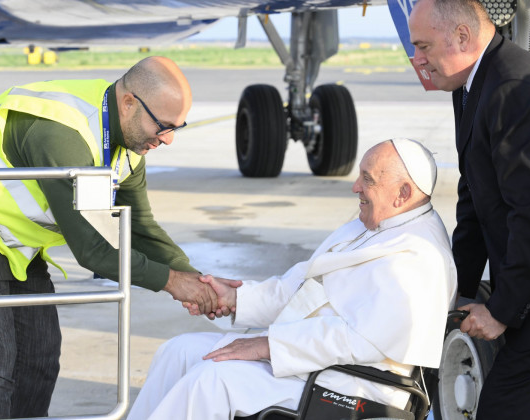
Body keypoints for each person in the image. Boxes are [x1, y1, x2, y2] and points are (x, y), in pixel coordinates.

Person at [0, 56, 229, 419]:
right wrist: (173, 283)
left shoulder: (130, 144)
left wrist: (200, 280)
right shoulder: (61, 133)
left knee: (38, 357)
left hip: (14, 238)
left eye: (177, 128)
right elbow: (93, 250)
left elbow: (140, 228)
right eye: (164, 126)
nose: (168, 139)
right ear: (128, 102)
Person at [126, 139, 458, 419]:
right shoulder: (372, 223)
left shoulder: (420, 257)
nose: (355, 187)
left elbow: (360, 340)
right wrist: (234, 298)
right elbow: (300, 287)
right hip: (310, 360)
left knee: (212, 379)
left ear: (402, 193)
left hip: (356, 382)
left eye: (367, 180)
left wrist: (267, 346)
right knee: (179, 350)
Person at [409, 1, 530, 418]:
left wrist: (502, 309)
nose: (418, 59)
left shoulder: (514, 90)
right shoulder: (473, 84)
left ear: (462, 38)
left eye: (424, 46)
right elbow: (476, 196)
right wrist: (456, 291)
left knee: (503, 407)